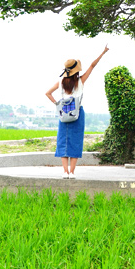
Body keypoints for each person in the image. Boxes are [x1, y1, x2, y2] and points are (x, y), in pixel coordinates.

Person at [45, 44, 109, 179]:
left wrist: (58, 104)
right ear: (77, 71)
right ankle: (72, 173)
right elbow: (92, 66)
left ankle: (65, 172)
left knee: (63, 141)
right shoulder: (80, 81)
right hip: (77, 114)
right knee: (76, 141)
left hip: (64, 114)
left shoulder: (61, 82)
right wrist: (103, 52)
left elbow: (48, 93)